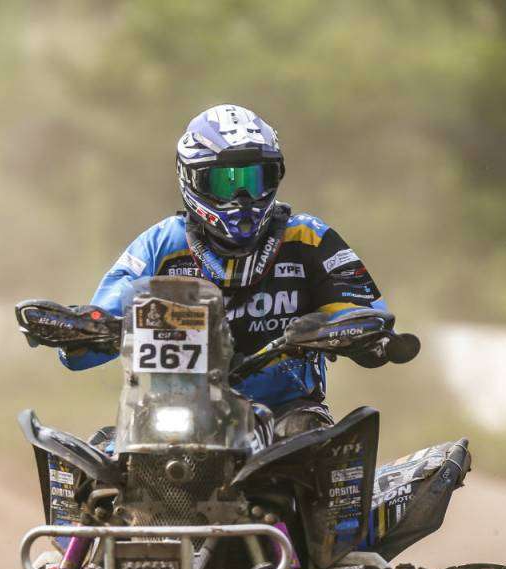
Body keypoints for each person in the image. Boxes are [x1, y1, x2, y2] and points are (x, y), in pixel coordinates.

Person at [62, 104, 387, 437]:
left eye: (255, 178)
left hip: (285, 416)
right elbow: (94, 330)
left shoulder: (308, 237)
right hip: (174, 414)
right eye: (226, 180)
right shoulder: (161, 243)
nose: (243, 197)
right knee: (100, 459)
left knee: (325, 444)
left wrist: (339, 329)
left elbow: (372, 319)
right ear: (193, 178)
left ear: (277, 175)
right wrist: (79, 328)